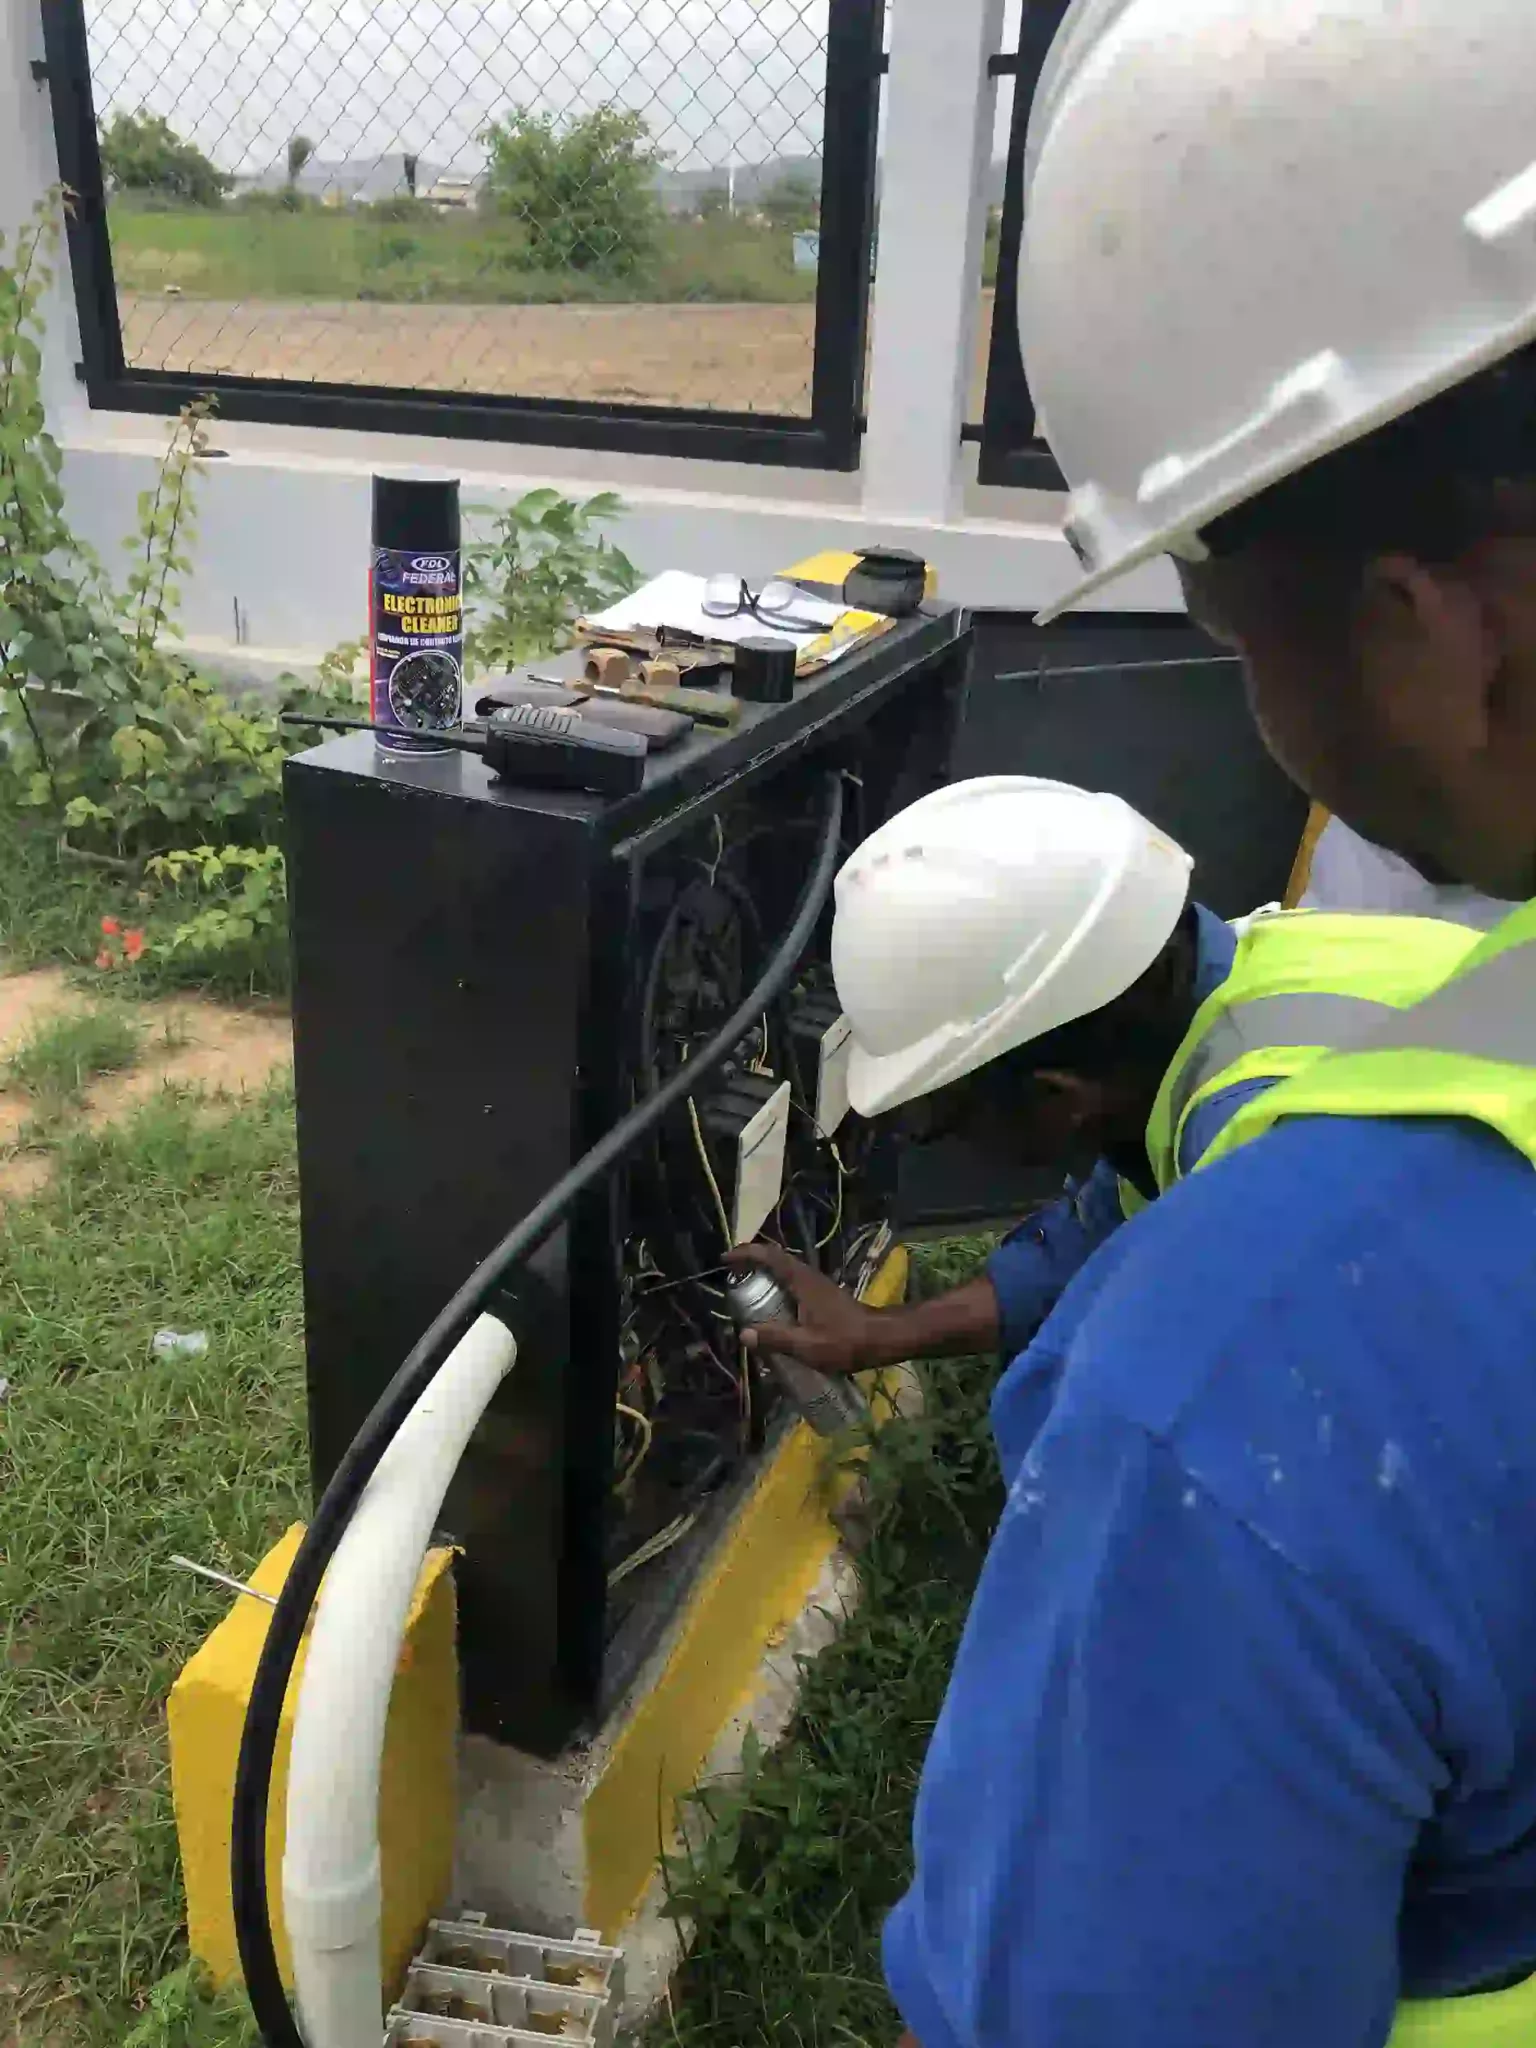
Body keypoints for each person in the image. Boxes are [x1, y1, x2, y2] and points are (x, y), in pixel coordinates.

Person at [882, 5, 1536, 2046]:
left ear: (1421, 632)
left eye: (1221, 614)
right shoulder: (1341, 996)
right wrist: (889, 1325)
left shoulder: (1244, 1392)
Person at [737, 775, 1477, 1388]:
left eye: (937, 1116)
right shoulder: (1244, 983)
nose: (931, 1135)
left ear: (1058, 1102)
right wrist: (884, 1333)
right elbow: (1105, 1224)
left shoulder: (1262, 1169)